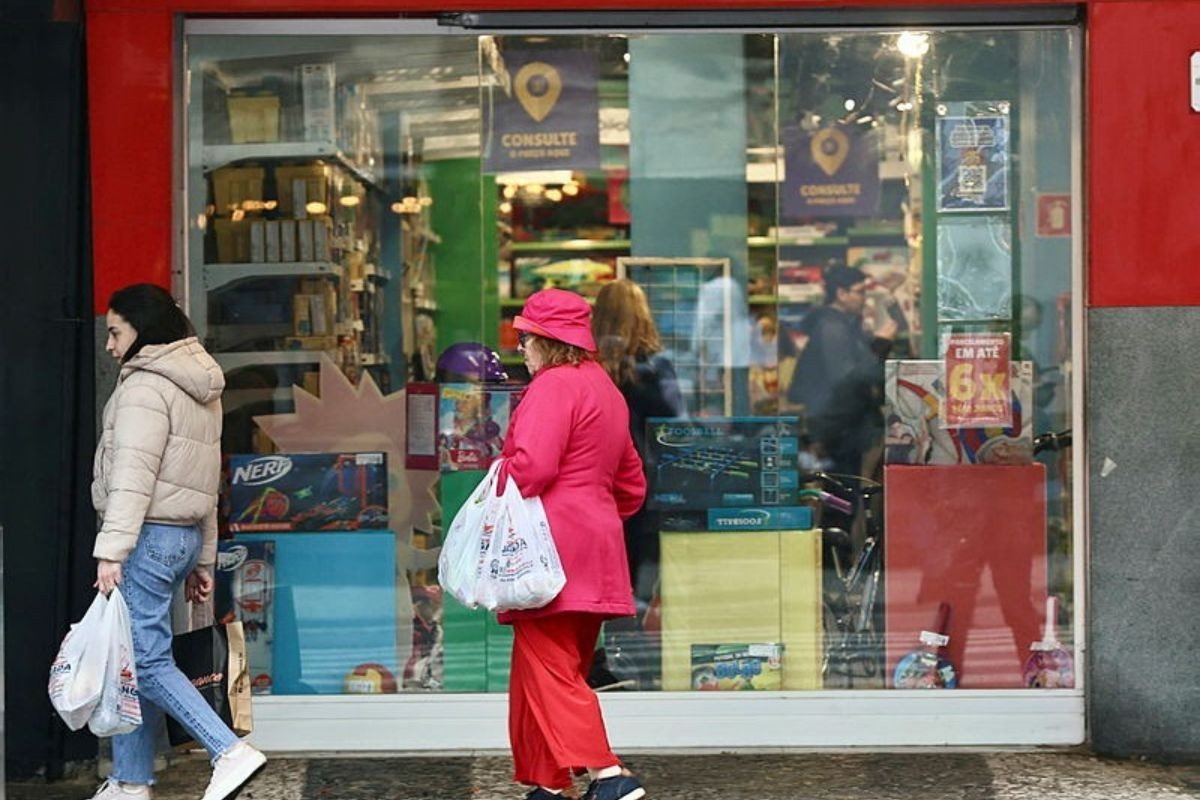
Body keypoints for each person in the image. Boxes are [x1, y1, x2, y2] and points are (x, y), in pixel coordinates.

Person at [90, 284, 265, 800]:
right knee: (136, 656)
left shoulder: (146, 388)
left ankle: (227, 750)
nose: (109, 345)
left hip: (146, 536)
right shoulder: (199, 383)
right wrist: (204, 554)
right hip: (181, 536)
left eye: (115, 332)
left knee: (143, 661)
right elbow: (207, 480)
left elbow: (133, 477)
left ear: (141, 330)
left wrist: (110, 548)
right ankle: (130, 780)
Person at [497, 288, 648, 800]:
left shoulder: (552, 387)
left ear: (547, 341)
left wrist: (496, 485)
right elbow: (632, 485)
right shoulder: (604, 388)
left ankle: (610, 774)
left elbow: (532, 469)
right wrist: (596, 516)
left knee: (548, 666)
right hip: (596, 543)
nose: (520, 346)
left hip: (547, 546)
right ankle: (546, 782)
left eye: (525, 337)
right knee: (548, 666)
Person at [593, 278, 684, 602]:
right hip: (642, 476)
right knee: (638, 556)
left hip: (593, 475)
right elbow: (674, 421)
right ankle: (631, 616)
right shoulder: (654, 366)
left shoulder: (586, 364)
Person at [785, 264, 896, 476]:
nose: (864, 298)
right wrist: (880, 346)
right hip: (838, 427)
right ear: (841, 294)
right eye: (860, 292)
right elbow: (846, 379)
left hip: (840, 424)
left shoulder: (843, 324)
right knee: (841, 493)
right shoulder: (832, 328)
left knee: (844, 492)